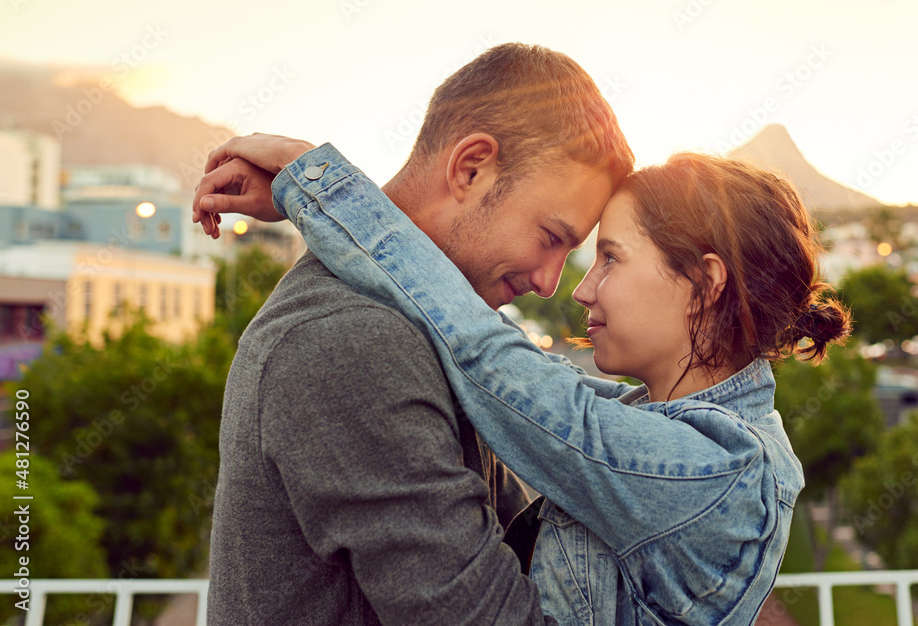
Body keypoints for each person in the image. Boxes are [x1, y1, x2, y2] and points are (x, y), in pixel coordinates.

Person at [198, 139, 851, 624]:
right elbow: (496, 386)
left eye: (610, 258)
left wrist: (314, 182)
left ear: (706, 283)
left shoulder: (712, 468)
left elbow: (492, 362)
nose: (581, 288)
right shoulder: (680, 439)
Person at [195, 43, 634, 625]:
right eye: (550, 237)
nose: (551, 283)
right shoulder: (352, 340)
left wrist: (317, 182)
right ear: (470, 168)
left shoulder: (414, 326)